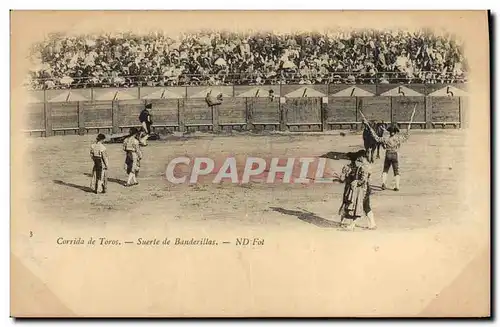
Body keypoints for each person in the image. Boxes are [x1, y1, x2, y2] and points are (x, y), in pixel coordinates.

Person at [363, 119, 409, 191]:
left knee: (385, 170)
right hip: (395, 154)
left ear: (390, 132)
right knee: (396, 171)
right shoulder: (398, 138)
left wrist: (371, 131)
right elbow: (406, 138)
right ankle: (397, 186)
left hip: (388, 154)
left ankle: (383, 183)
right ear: (395, 132)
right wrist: (408, 130)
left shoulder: (386, 138)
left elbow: (377, 138)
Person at [338, 150, 377, 231]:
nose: (359, 159)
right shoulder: (367, 165)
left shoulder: (363, 167)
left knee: (357, 207)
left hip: (363, 189)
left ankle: (352, 225)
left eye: (360, 157)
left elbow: (363, 180)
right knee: (366, 207)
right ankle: (373, 224)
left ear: (363, 157)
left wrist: (356, 182)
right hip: (367, 188)